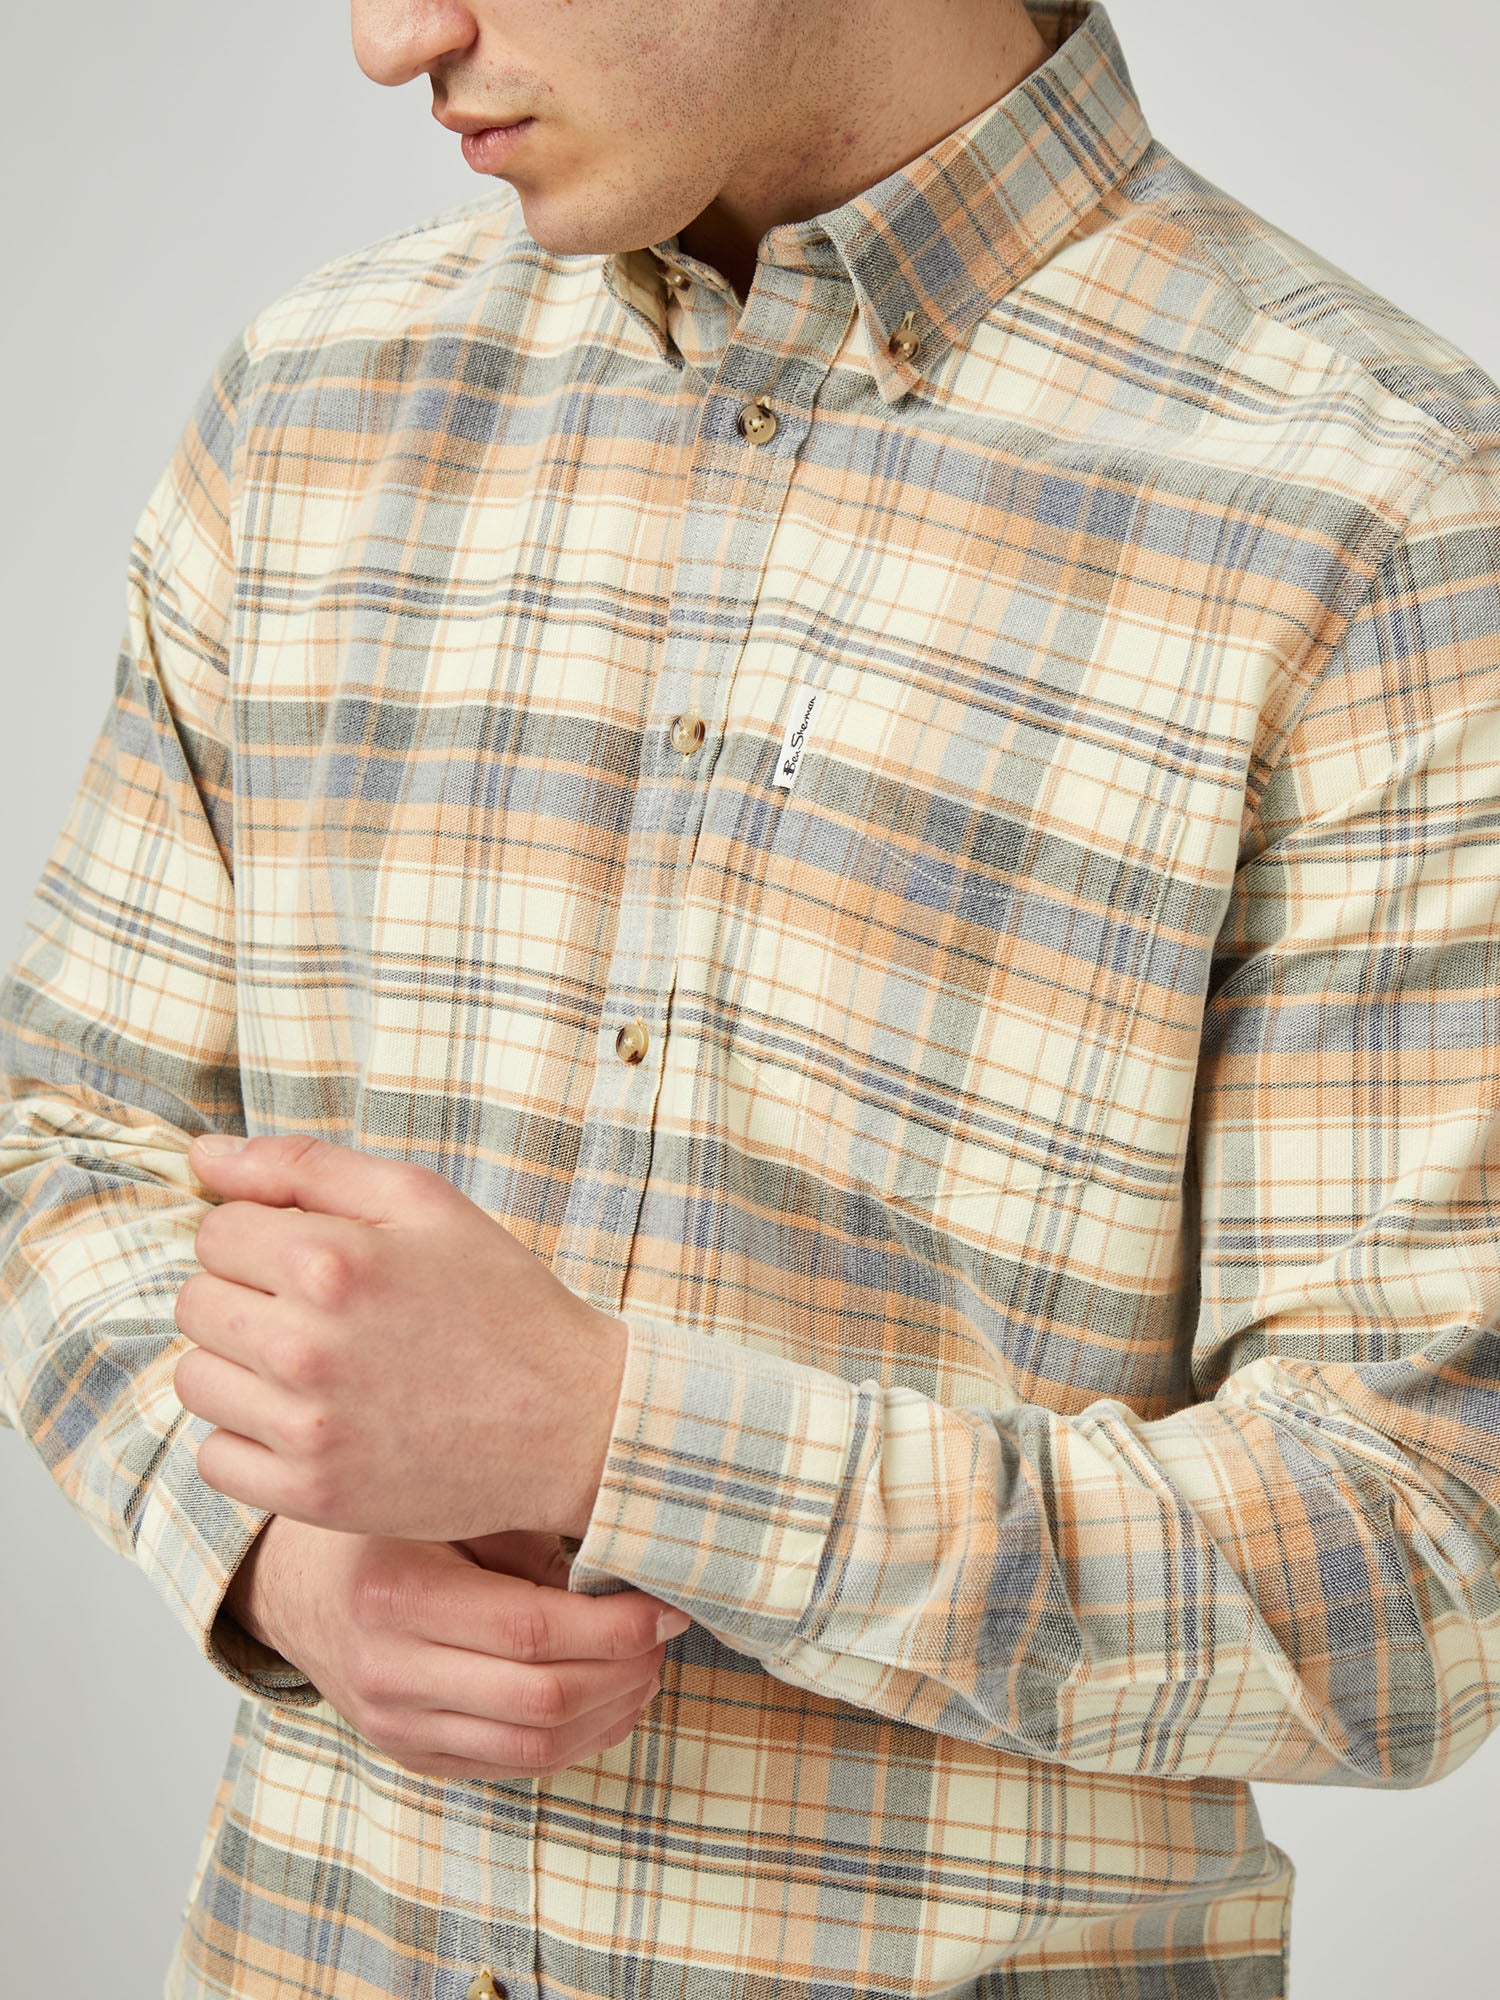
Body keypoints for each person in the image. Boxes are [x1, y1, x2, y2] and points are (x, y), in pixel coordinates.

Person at [2, 0, 1498, 1994]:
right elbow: (67, 1144)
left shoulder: (1383, 515)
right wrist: (287, 1565)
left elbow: (1413, 1564)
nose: (391, 36)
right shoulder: (314, 402)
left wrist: (612, 1436)